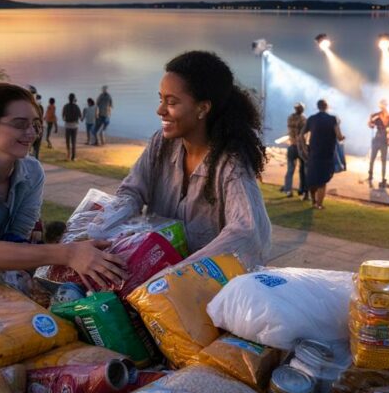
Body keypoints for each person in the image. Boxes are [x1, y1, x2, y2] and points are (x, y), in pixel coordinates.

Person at [0, 83, 126, 311]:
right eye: (20, 125)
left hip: (0, 300)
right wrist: (68, 254)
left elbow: (17, 238)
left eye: (36, 125)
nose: (31, 134)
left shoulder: (31, 172)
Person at [114, 50, 272, 270]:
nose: (160, 110)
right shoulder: (161, 143)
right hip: (151, 273)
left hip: (205, 287)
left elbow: (245, 232)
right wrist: (101, 227)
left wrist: (178, 272)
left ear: (202, 108)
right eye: (161, 99)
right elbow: (131, 191)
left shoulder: (230, 164)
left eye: (171, 102)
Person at [302, 100, 345, 210]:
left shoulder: (311, 118)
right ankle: (319, 204)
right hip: (327, 153)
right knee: (322, 180)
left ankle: (313, 202)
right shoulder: (332, 119)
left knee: (313, 178)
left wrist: (304, 148)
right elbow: (339, 137)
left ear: (317, 107)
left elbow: (301, 134)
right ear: (327, 107)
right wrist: (343, 137)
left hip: (314, 153)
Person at [367, 99, 389, 188]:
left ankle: (383, 178)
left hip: (384, 141)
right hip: (377, 139)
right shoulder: (376, 115)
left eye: (384, 105)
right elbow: (370, 124)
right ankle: (370, 175)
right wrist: (371, 123)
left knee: (384, 160)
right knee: (372, 159)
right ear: (380, 105)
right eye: (381, 105)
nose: (382, 106)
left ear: (386, 105)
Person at [281, 103, 307, 199]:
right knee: (302, 170)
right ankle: (302, 190)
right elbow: (304, 132)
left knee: (290, 169)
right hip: (300, 146)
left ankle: (288, 190)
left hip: (291, 145)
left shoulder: (290, 118)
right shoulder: (303, 119)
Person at [61, 93, 82, 161]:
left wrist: (66, 118)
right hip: (74, 125)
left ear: (68, 98)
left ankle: (68, 156)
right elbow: (80, 117)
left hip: (67, 125)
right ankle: (73, 157)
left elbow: (63, 117)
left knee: (68, 141)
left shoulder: (66, 106)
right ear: (74, 99)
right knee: (73, 142)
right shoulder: (76, 106)